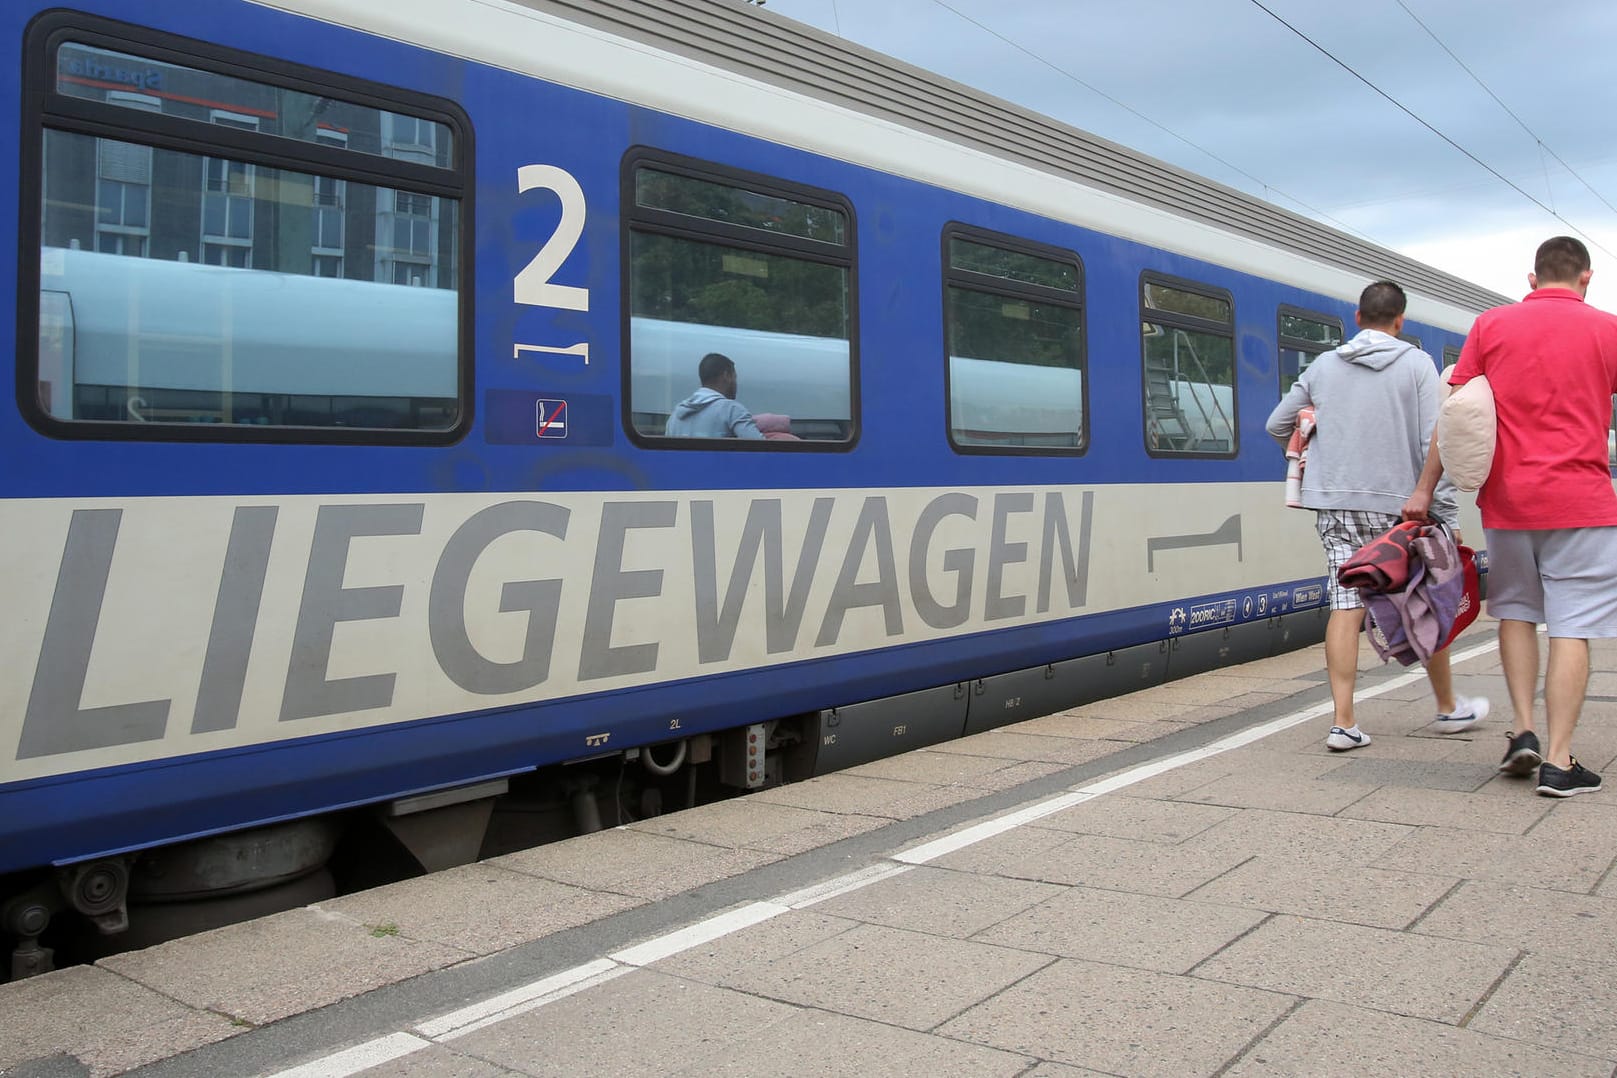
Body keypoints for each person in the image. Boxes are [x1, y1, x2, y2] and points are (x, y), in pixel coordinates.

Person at [1417, 237, 1617, 796]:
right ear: (1587, 277)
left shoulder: (1491, 325)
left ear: (1532, 279)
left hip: (1507, 503)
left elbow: (1454, 415)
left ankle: (1524, 732)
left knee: (1517, 614)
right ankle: (1559, 761)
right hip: (1584, 503)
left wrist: (1425, 487)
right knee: (1572, 626)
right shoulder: (1609, 329)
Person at [1267, 280, 1488, 753]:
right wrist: (1443, 511)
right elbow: (1437, 439)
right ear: (1400, 320)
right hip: (1402, 509)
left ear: (1357, 316)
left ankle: (1343, 723)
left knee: (1344, 606)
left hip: (1335, 504)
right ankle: (1448, 707)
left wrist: (1311, 459)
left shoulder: (1323, 366)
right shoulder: (1416, 365)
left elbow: (1277, 424)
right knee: (1429, 599)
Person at [664, 353, 765, 439]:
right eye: (735, 378)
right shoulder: (731, 410)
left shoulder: (675, 417)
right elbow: (762, 450)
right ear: (726, 376)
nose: (735, 384)